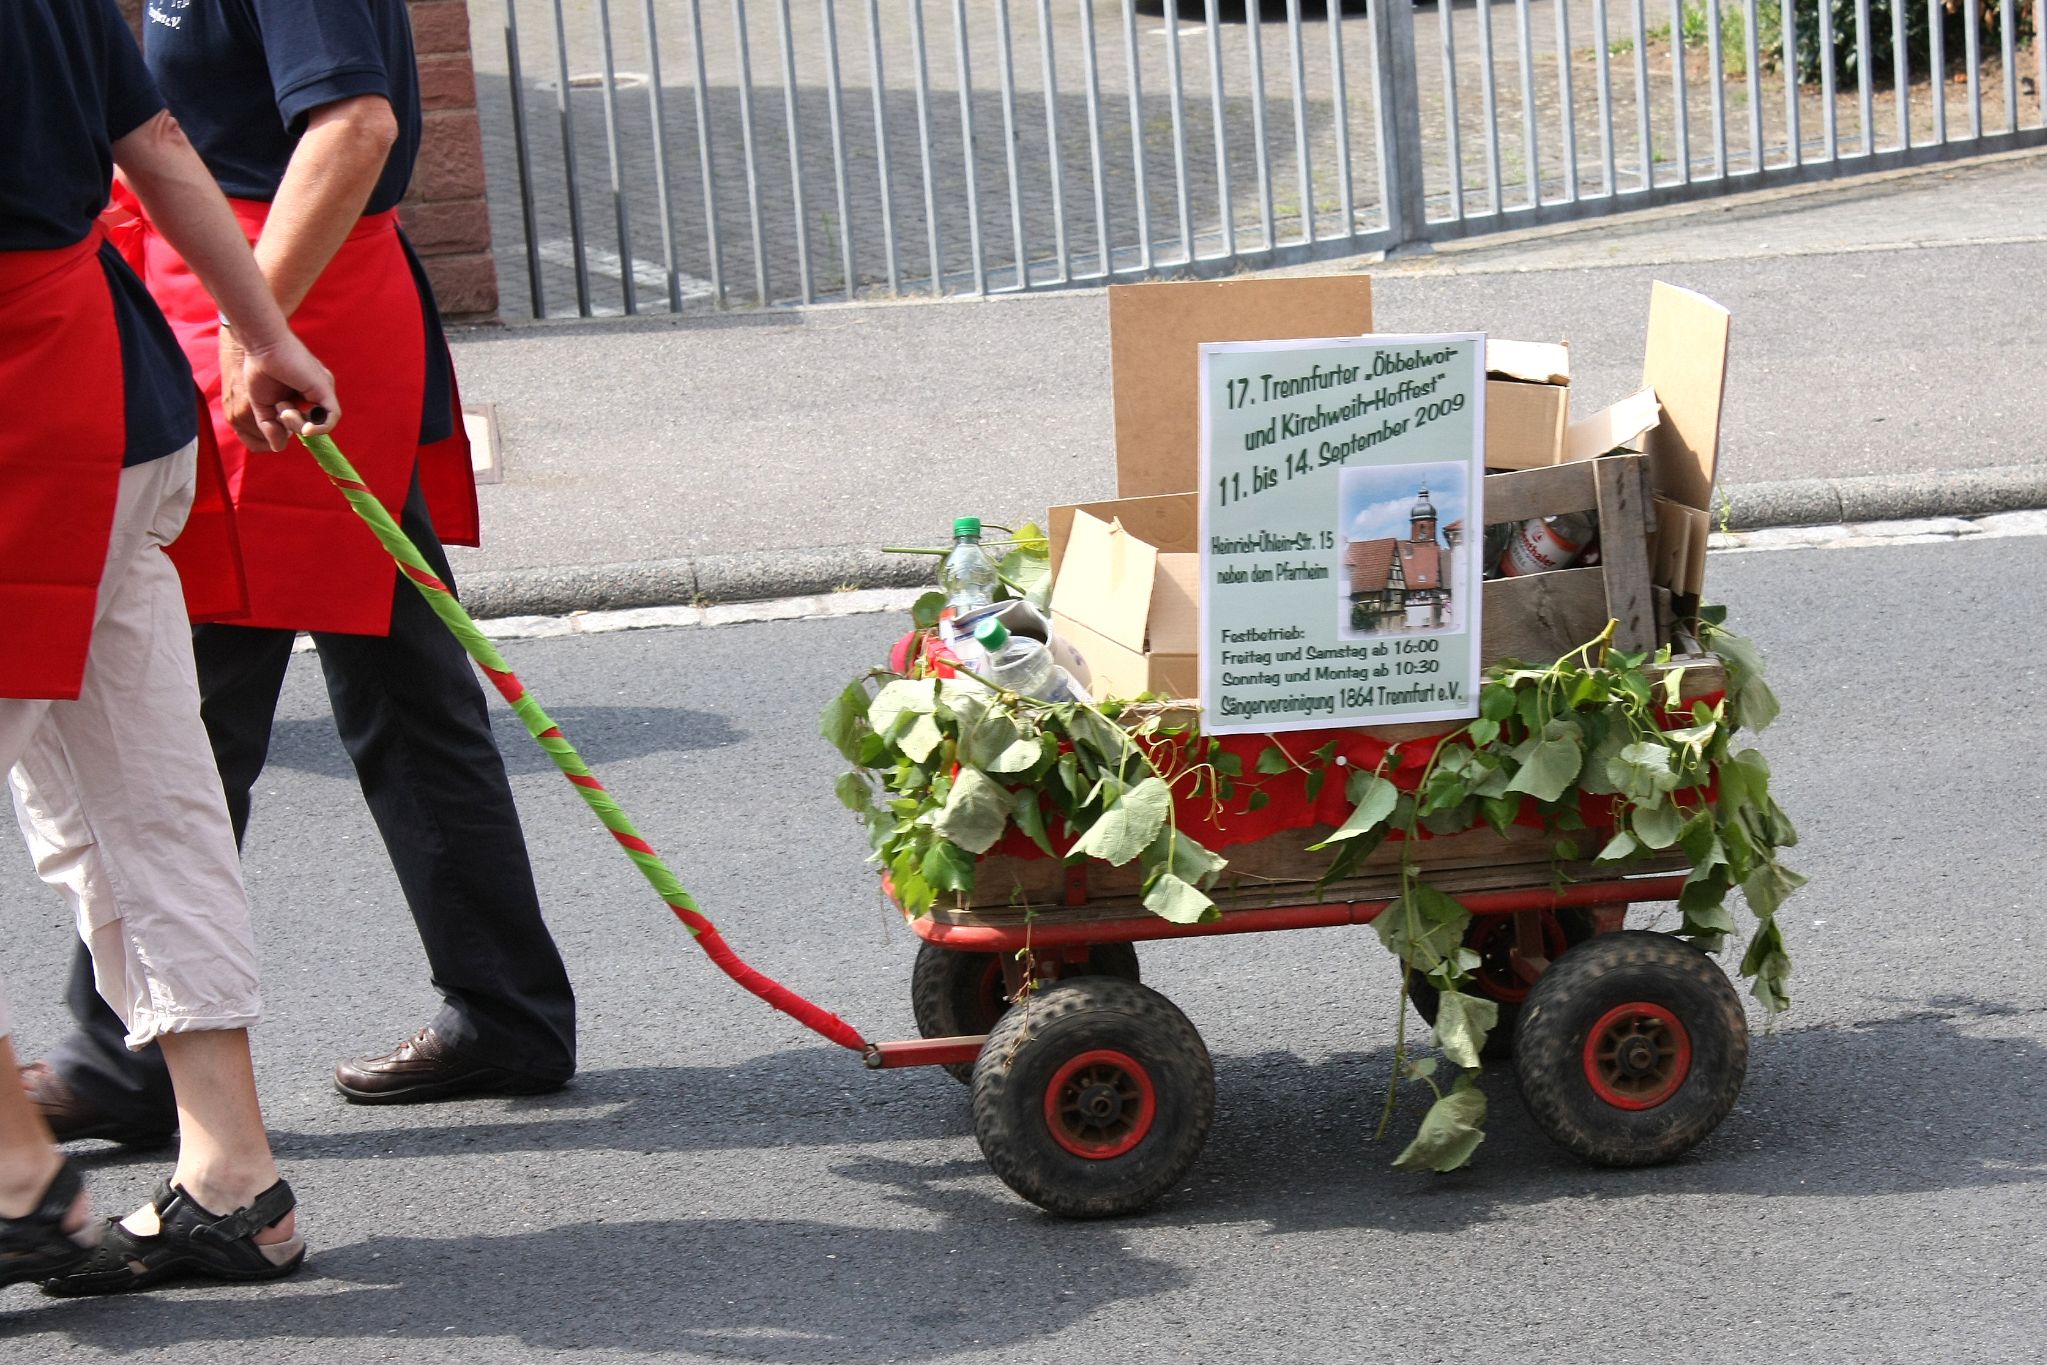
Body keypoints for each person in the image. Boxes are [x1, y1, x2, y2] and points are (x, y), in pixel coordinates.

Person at [20, 0, 577, 1146]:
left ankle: (125, 1057)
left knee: (181, 714)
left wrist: (251, 318)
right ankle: (506, 1005)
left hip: (280, 308)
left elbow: (355, 125)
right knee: (402, 696)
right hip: (265, 303)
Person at [1, 0, 339, 1293]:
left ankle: (21, 1184)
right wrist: (265, 329)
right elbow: (157, 145)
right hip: (110, 402)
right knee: (145, 798)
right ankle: (232, 1178)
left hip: (23, 424)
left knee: (137, 801)